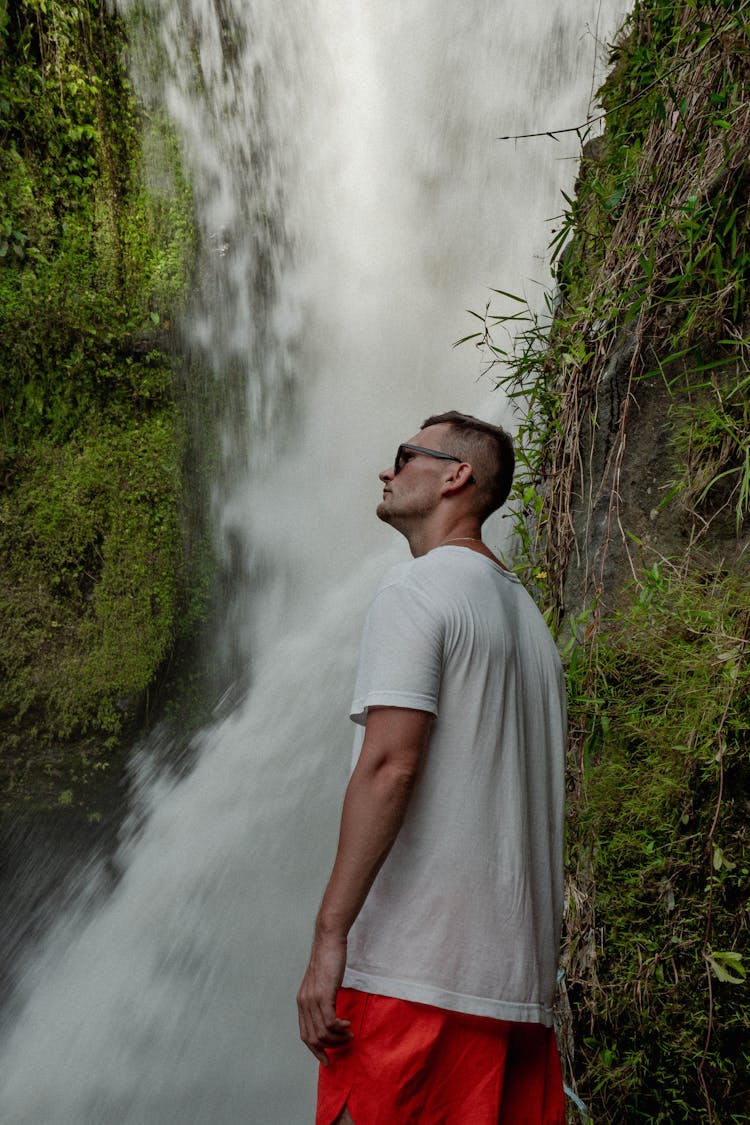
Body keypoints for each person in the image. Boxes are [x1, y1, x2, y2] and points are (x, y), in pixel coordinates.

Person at [297, 411, 567, 1125]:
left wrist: (330, 938)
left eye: (402, 456)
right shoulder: (530, 625)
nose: (387, 472)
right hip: (515, 998)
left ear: (456, 475)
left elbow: (390, 765)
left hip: (414, 981)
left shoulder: (415, 591)